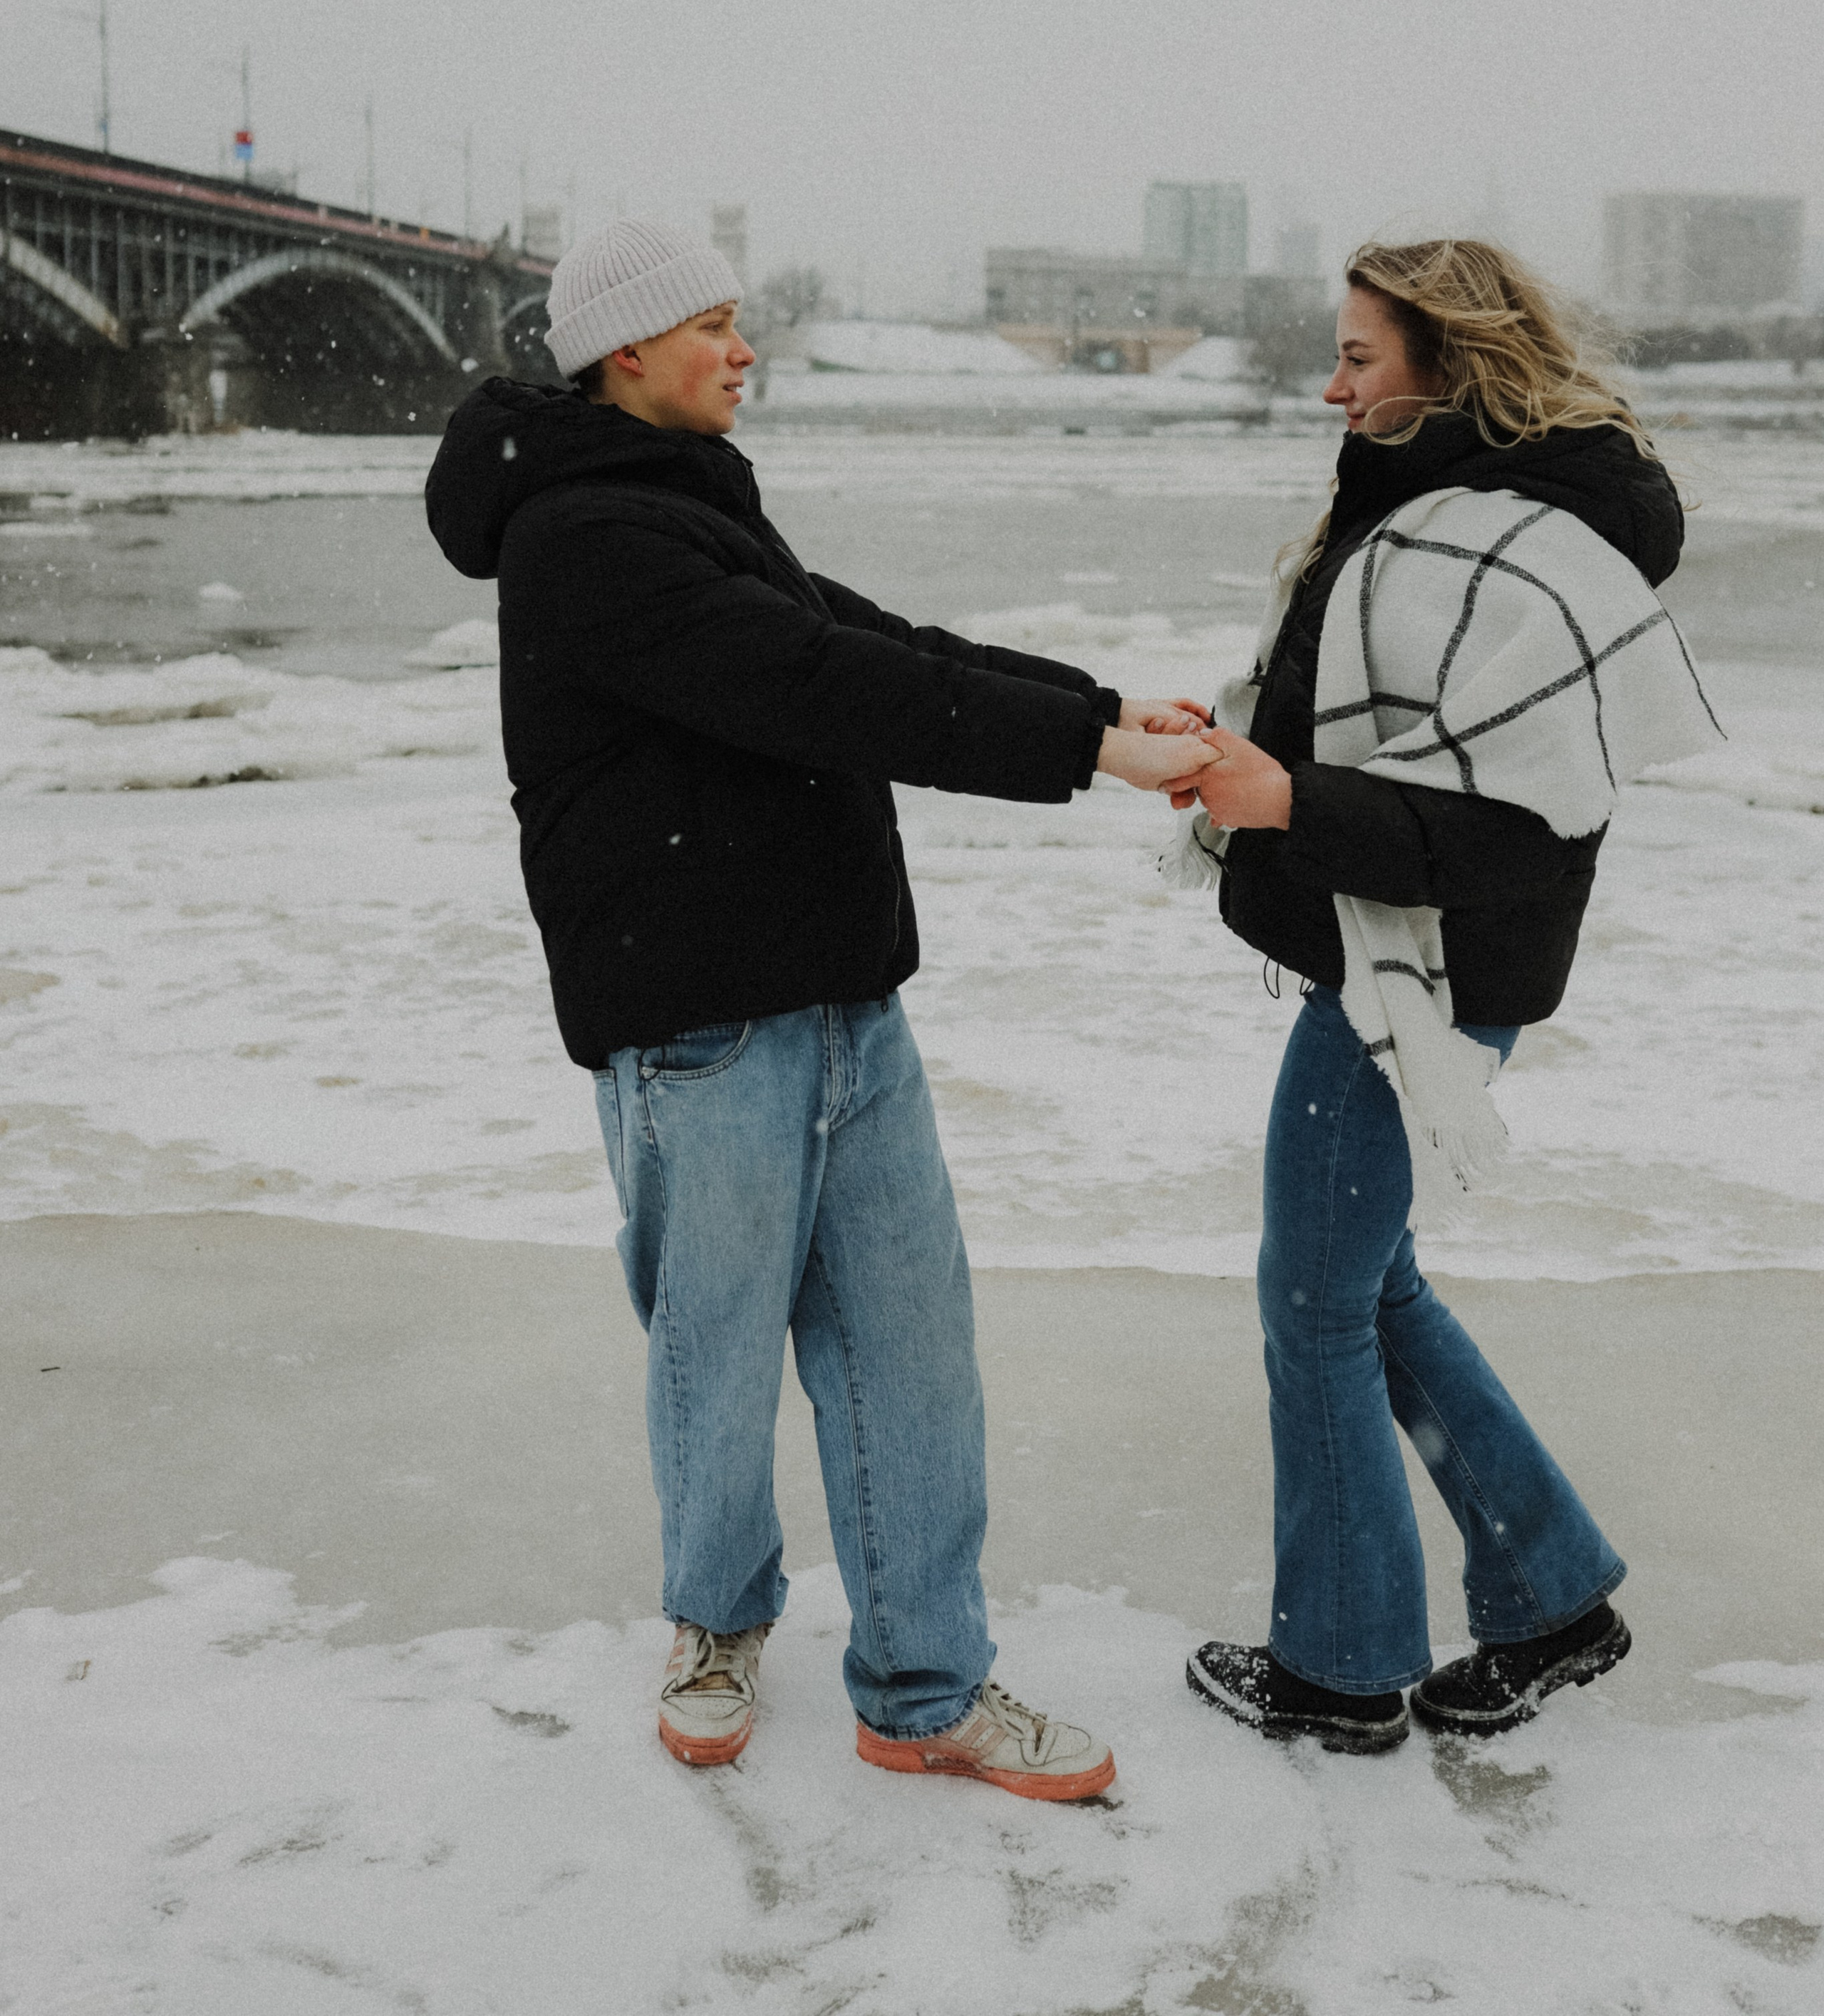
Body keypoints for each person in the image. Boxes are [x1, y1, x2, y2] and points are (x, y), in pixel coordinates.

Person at [426, 218, 1212, 1798]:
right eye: (711, 325)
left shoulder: (688, 498)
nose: (744, 348)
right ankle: (716, 1623)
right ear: (625, 351)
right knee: (715, 1361)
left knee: (909, 1356)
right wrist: (1088, 755)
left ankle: (923, 1690)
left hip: (850, 1003)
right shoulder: (583, 536)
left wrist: (1094, 704)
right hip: (702, 1026)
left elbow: (868, 639)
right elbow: (813, 684)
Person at [1161, 238, 1719, 1752]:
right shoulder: (1437, 506)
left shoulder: (1522, 545)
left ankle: (1342, 1673)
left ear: (1449, 362)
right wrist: (1240, 758)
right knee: (1365, 1283)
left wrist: (1287, 800)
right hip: (1392, 953)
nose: (1329, 385)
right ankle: (1549, 1595)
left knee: (1312, 1302)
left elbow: (1512, 821)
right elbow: (1386, 733)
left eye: (1357, 357)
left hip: (1422, 972)